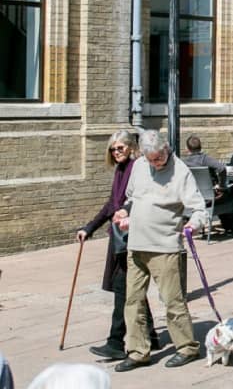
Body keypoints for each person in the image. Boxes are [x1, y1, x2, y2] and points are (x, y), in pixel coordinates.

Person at [111, 130, 206, 371]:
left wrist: (193, 225)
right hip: (136, 244)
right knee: (132, 301)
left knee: (172, 300)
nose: (156, 163)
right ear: (142, 154)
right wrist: (124, 212)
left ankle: (186, 348)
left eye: (160, 157)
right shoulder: (140, 166)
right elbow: (132, 199)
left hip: (164, 246)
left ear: (167, 149)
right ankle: (137, 351)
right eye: (151, 159)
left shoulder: (180, 170)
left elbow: (198, 208)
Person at [76, 131, 159, 361]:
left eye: (120, 147)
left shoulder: (136, 169)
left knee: (123, 290)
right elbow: (111, 205)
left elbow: (141, 199)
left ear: (131, 147)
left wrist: (127, 213)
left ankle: (115, 341)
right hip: (120, 238)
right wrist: (89, 228)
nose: (116, 152)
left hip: (133, 238)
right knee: (132, 288)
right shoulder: (120, 170)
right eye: (113, 149)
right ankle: (151, 335)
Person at [182, 134, 233, 233]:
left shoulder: (184, 163)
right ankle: (230, 226)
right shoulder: (204, 159)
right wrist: (222, 186)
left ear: (186, 148)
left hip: (194, 198)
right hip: (210, 199)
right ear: (200, 146)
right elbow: (222, 168)